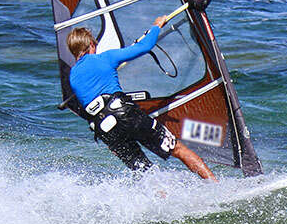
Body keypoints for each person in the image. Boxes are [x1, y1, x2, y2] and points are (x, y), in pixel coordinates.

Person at [66, 19, 217, 181]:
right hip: (123, 113)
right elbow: (144, 47)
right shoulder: (105, 58)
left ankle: (163, 201)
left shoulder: (72, 76)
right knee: (177, 149)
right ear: (91, 44)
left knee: (145, 172)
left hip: (104, 129)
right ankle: (216, 186)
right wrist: (156, 26)